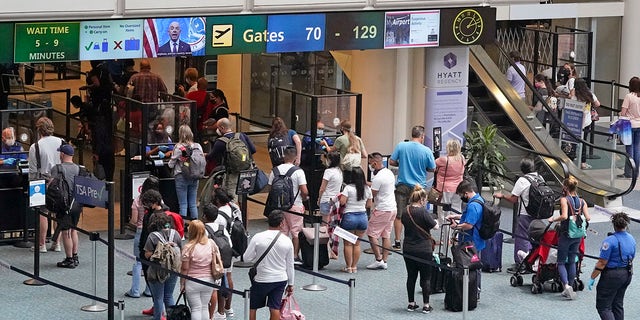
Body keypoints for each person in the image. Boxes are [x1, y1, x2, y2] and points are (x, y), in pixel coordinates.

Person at [389, 125, 436, 250]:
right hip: (419, 187)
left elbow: (391, 162)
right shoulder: (426, 150)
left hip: (403, 185)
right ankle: (420, 238)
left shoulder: (401, 146)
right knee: (420, 214)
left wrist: (402, 163)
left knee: (399, 214)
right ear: (422, 136)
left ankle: (398, 241)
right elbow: (433, 168)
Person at [243, 210, 295, 320]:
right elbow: (290, 265)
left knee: (253, 307)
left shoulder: (258, 237)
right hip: (280, 279)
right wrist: (291, 283)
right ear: (281, 223)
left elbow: (246, 258)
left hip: (261, 278)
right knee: (275, 307)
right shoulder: (287, 241)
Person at [548, 176, 590, 300]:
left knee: (561, 261)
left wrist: (553, 219)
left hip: (566, 234)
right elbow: (588, 218)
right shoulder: (582, 201)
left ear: (565, 187)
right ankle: (571, 285)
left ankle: (566, 286)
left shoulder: (564, 200)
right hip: (577, 235)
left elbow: (564, 216)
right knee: (572, 261)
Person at [494, 158, 540, 269]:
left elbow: (514, 199)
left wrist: (503, 195)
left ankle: (522, 263)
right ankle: (535, 261)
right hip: (538, 213)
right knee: (536, 237)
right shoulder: (539, 177)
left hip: (525, 213)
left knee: (522, 238)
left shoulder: (522, 180)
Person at [589, 212, 635, 320]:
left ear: (614, 225)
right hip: (627, 274)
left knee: (604, 307)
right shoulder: (631, 238)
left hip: (612, 276)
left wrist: (592, 277)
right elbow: (632, 257)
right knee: (617, 304)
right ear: (626, 225)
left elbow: (602, 263)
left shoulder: (610, 241)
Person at [28, 117, 64, 253]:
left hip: (41, 180)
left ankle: (41, 244)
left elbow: (32, 170)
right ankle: (57, 243)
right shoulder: (61, 142)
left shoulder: (35, 146)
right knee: (58, 212)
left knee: (42, 212)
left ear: (39, 130)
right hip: (59, 179)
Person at [269, 146, 308, 262]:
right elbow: (304, 191)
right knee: (296, 232)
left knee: (282, 232)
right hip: (295, 205)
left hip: (279, 206)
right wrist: (304, 198)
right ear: (295, 157)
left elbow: (271, 189)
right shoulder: (298, 171)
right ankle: (294, 256)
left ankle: (281, 256)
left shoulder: (275, 170)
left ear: (283, 156)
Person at [446, 179, 486, 293]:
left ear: (466, 193)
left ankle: (474, 291)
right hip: (476, 240)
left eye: (461, 195)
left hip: (471, 241)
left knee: (471, 266)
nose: (461, 198)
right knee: (474, 265)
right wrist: (456, 216)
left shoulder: (473, 205)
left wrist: (456, 227)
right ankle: (474, 290)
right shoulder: (479, 200)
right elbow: (469, 217)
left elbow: (468, 225)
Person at [402, 185, 437, 314]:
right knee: (426, 278)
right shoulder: (423, 212)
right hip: (424, 249)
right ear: (422, 199)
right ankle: (426, 305)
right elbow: (436, 227)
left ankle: (411, 303)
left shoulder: (406, 211)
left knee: (411, 276)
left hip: (408, 248)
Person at [144, 211, 183, 320]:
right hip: (173, 269)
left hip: (157, 270)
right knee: (169, 296)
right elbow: (181, 249)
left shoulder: (152, 236)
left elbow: (147, 254)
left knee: (158, 298)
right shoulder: (175, 234)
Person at [125, 175, 160, 298]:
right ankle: (149, 289)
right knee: (152, 261)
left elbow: (134, 221)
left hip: (140, 231)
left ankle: (134, 290)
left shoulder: (138, 200)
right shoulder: (159, 201)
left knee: (138, 261)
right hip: (155, 234)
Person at [50, 144, 84, 268]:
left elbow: (51, 185)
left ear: (62, 154)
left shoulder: (57, 168)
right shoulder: (79, 169)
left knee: (66, 232)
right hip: (77, 204)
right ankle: (75, 256)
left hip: (63, 204)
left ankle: (69, 259)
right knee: (74, 229)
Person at [180, 219, 221, 320]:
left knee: (195, 309)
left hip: (193, 281)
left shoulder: (188, 247)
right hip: (209, 280)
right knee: (204, 307)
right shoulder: (211, 243)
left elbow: (185, 268)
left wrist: (182, 283)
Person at [210, 188, 241, 319]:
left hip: (221, 249)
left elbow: (214, 232)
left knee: (220, 280)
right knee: (228, 276)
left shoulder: (218, 215)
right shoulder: (235, 207)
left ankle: (221, 312)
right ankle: (228, 308)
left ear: (217, 200)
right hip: (233, 246)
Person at [207, 118, 256, 199]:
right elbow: (253, 150)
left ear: (222, 128)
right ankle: (242, 211)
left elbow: (211, 156)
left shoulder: (220, 142)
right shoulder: (242, 135)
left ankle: (233, 211)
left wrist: (205, 155)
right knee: (243, 197)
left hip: (233, 173)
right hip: (247, 171)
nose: (217, 130)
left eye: (218, 128)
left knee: (232, 197)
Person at [365, 152, 396, 270]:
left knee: (372, 234)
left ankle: (378, 259)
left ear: (375, 162)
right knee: (386, 235)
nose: (370, 166)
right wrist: (367, 184)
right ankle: (385, 260)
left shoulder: (378, 178)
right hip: (392, 208)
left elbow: (372, 194)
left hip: (382, 209)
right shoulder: (388, 173)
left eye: (370, 163)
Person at [339, 167, 372, 273]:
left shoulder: (348, 188)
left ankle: (348, 267)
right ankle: (354, 266)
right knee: (357, 244)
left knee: (348, 244)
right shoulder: (367, 189)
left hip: (349, 217)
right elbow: (369, 204)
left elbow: (342, 202)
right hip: (362, 217)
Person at [201, 202, 231, 320]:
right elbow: (230, 244)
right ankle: (213, 315)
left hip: (207, 263)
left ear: (204, 216)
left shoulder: (203, 230)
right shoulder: (222, 228)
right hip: (220, 263)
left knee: (206, 290)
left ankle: (207, 314)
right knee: (215, 288)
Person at [168, 125, 203, 220]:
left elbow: (171, 165)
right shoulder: (197, 146)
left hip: (181, 176)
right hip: (194, 176)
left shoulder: (179, 147)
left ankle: (182, 227)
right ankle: (196, 225)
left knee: (183, 204)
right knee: (193, 203)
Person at [433, 139, 465, 227]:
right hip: (459, 188)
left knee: (444, 213)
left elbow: (432, 165)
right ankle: (455, 236)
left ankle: (445, 239)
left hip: (445, 189)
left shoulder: (444, 160)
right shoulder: (462, 159)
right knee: (456, 211)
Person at [573, 78, 601, 169]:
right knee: (584, 141)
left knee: (572, 140)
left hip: (575, 120)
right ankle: (583, 163)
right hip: (586, 121)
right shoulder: (590, 94)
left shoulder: (574, 94)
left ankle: (572, 158)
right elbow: (598, 104)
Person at [619, 76, 640, 179]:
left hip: (629, 125)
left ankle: (628, 173)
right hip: (639, 124)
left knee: (629, 149)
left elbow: (623, 113)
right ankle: (636, 172)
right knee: (637, 148)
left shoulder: (629, 96)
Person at [317, 151, 343, 225]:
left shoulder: (328, 171)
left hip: (326, 199)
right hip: (336, 200)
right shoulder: (339, 171)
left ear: (330, 160)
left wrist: (319, 199)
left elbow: (322, 188)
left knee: (325, 224)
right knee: (333, 224)